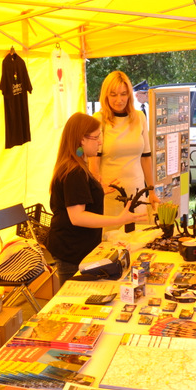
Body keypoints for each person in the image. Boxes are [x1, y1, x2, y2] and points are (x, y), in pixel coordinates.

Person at [46, 112, 149, 286]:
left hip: (78, 247)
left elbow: (77, 197)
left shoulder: (77, 164)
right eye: (95, 137)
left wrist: (97, 191)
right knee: (73, 295)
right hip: (72, 250)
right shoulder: (74, 171)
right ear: (81, 140)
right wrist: (119, 219)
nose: (100, 142)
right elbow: (77, 217)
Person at [88, 71, 159, 221]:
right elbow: (93, 161)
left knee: (138, 233)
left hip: (137, 192)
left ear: (129, 95)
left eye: (123, 94)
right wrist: (98, 188)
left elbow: (146, 158)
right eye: (113, 95)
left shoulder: (139, 117)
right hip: (111, 194)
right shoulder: (99, 119)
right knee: (112, 234)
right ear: (106, 95)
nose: (119, 100)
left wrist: (151, 192)